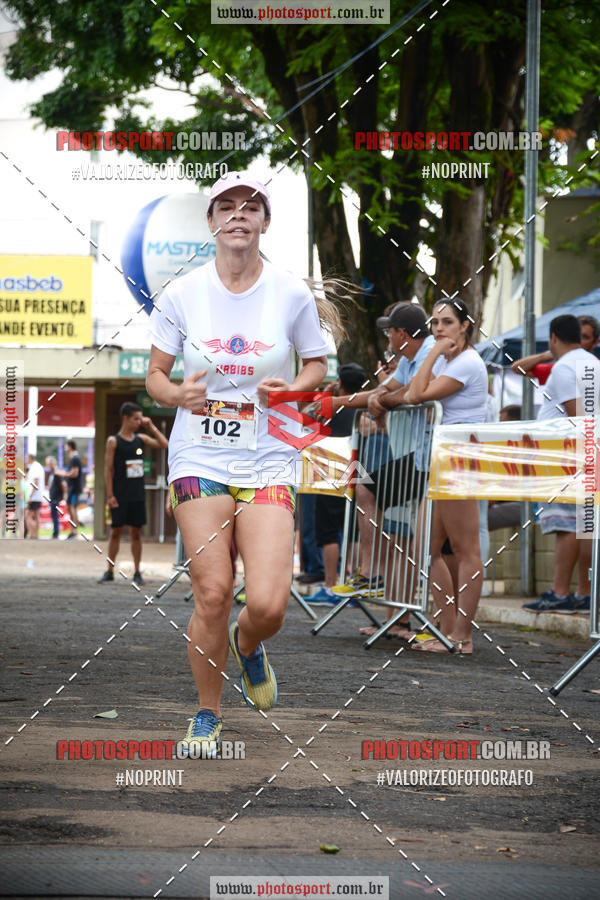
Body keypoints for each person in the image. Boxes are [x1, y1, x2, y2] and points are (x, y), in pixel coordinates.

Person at [146, 171, 335, 757]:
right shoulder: (182, 294)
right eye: (224, 207)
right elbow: (155, 376)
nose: (237, 216)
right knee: (213, 591)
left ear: (264, 223)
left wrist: (289, 392)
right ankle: (208, 713)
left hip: (269, 456)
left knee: (270, 605)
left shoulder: (290, 293)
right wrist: (178, 396)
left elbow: (316, 367)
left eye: (249, 208)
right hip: (199, 454)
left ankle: (249, 645)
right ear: (210, 222)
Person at [402, 298, 488, 654]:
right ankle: (449, 628)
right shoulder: (452, 361)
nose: (439, 329)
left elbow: (416, 394)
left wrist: (434, 350)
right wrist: (437, 353)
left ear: (465, 326)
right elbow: (412, 392)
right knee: (427, 546)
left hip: (461, 458)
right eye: (435, 323)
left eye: (447, 323)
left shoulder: (466, 363)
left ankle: (462, 637)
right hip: (445, 458)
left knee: (466, 550)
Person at [522, 314, 600, 613]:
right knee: (584, 527)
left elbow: (576, 415)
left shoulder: (565, 367)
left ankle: (561, 592)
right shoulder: (592, 362)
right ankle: (583, 594)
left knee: (566, 527)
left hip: (568, 455)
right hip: (585, 454)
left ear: (553, 337)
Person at [305, 362, 367, 605]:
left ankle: (330, 585)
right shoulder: (361, 410)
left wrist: (327, 393)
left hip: (329, 473)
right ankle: (350, 583)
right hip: (357, 471)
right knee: (352, 529)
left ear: (340, 383)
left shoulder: (329, 407)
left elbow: (307, 415)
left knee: (328, 531)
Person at [97, 402, 168, 585]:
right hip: (120, 494)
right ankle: (109, 570)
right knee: (115, 532)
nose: (139, 421)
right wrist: (110, 495)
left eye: (140, 418)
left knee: (136, 533)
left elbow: (164, 444)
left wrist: (151, 426)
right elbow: (108, 469)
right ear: (126, 418)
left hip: (137, 493)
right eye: (136, 418)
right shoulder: (114, 441)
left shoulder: (141, 439)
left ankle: (137, 572)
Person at [60, 440, 83, 539]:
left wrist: (63, 474)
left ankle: (74, 531)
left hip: (74, 488)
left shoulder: (75, 458)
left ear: (70, 446)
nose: (65, 448)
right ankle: (72, 531)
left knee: (72, 508)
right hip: (72, 488)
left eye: (66, 446)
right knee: (70, 508)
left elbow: (75, 473)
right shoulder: (73, 458)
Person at [25, 453, 45, 539]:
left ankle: (32, 534)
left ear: (30, 458)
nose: (26, 460)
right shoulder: (38, 466)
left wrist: (30, 495)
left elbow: (35, 482)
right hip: (38, 496)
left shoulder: (35, 467)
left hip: (35, 496)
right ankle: (35, 534)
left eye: (27, 458)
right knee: (36, 516)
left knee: (27, 516)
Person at [45, 456, 64, 539]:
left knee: (55, 516)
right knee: (53, 515)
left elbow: (63, 485)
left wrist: (63, 496)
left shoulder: (57, 472)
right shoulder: (53, 472)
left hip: (56, 498)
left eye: (48, 464)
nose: (48, 466)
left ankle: (56, 533)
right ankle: (55, 532)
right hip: (53, 497)